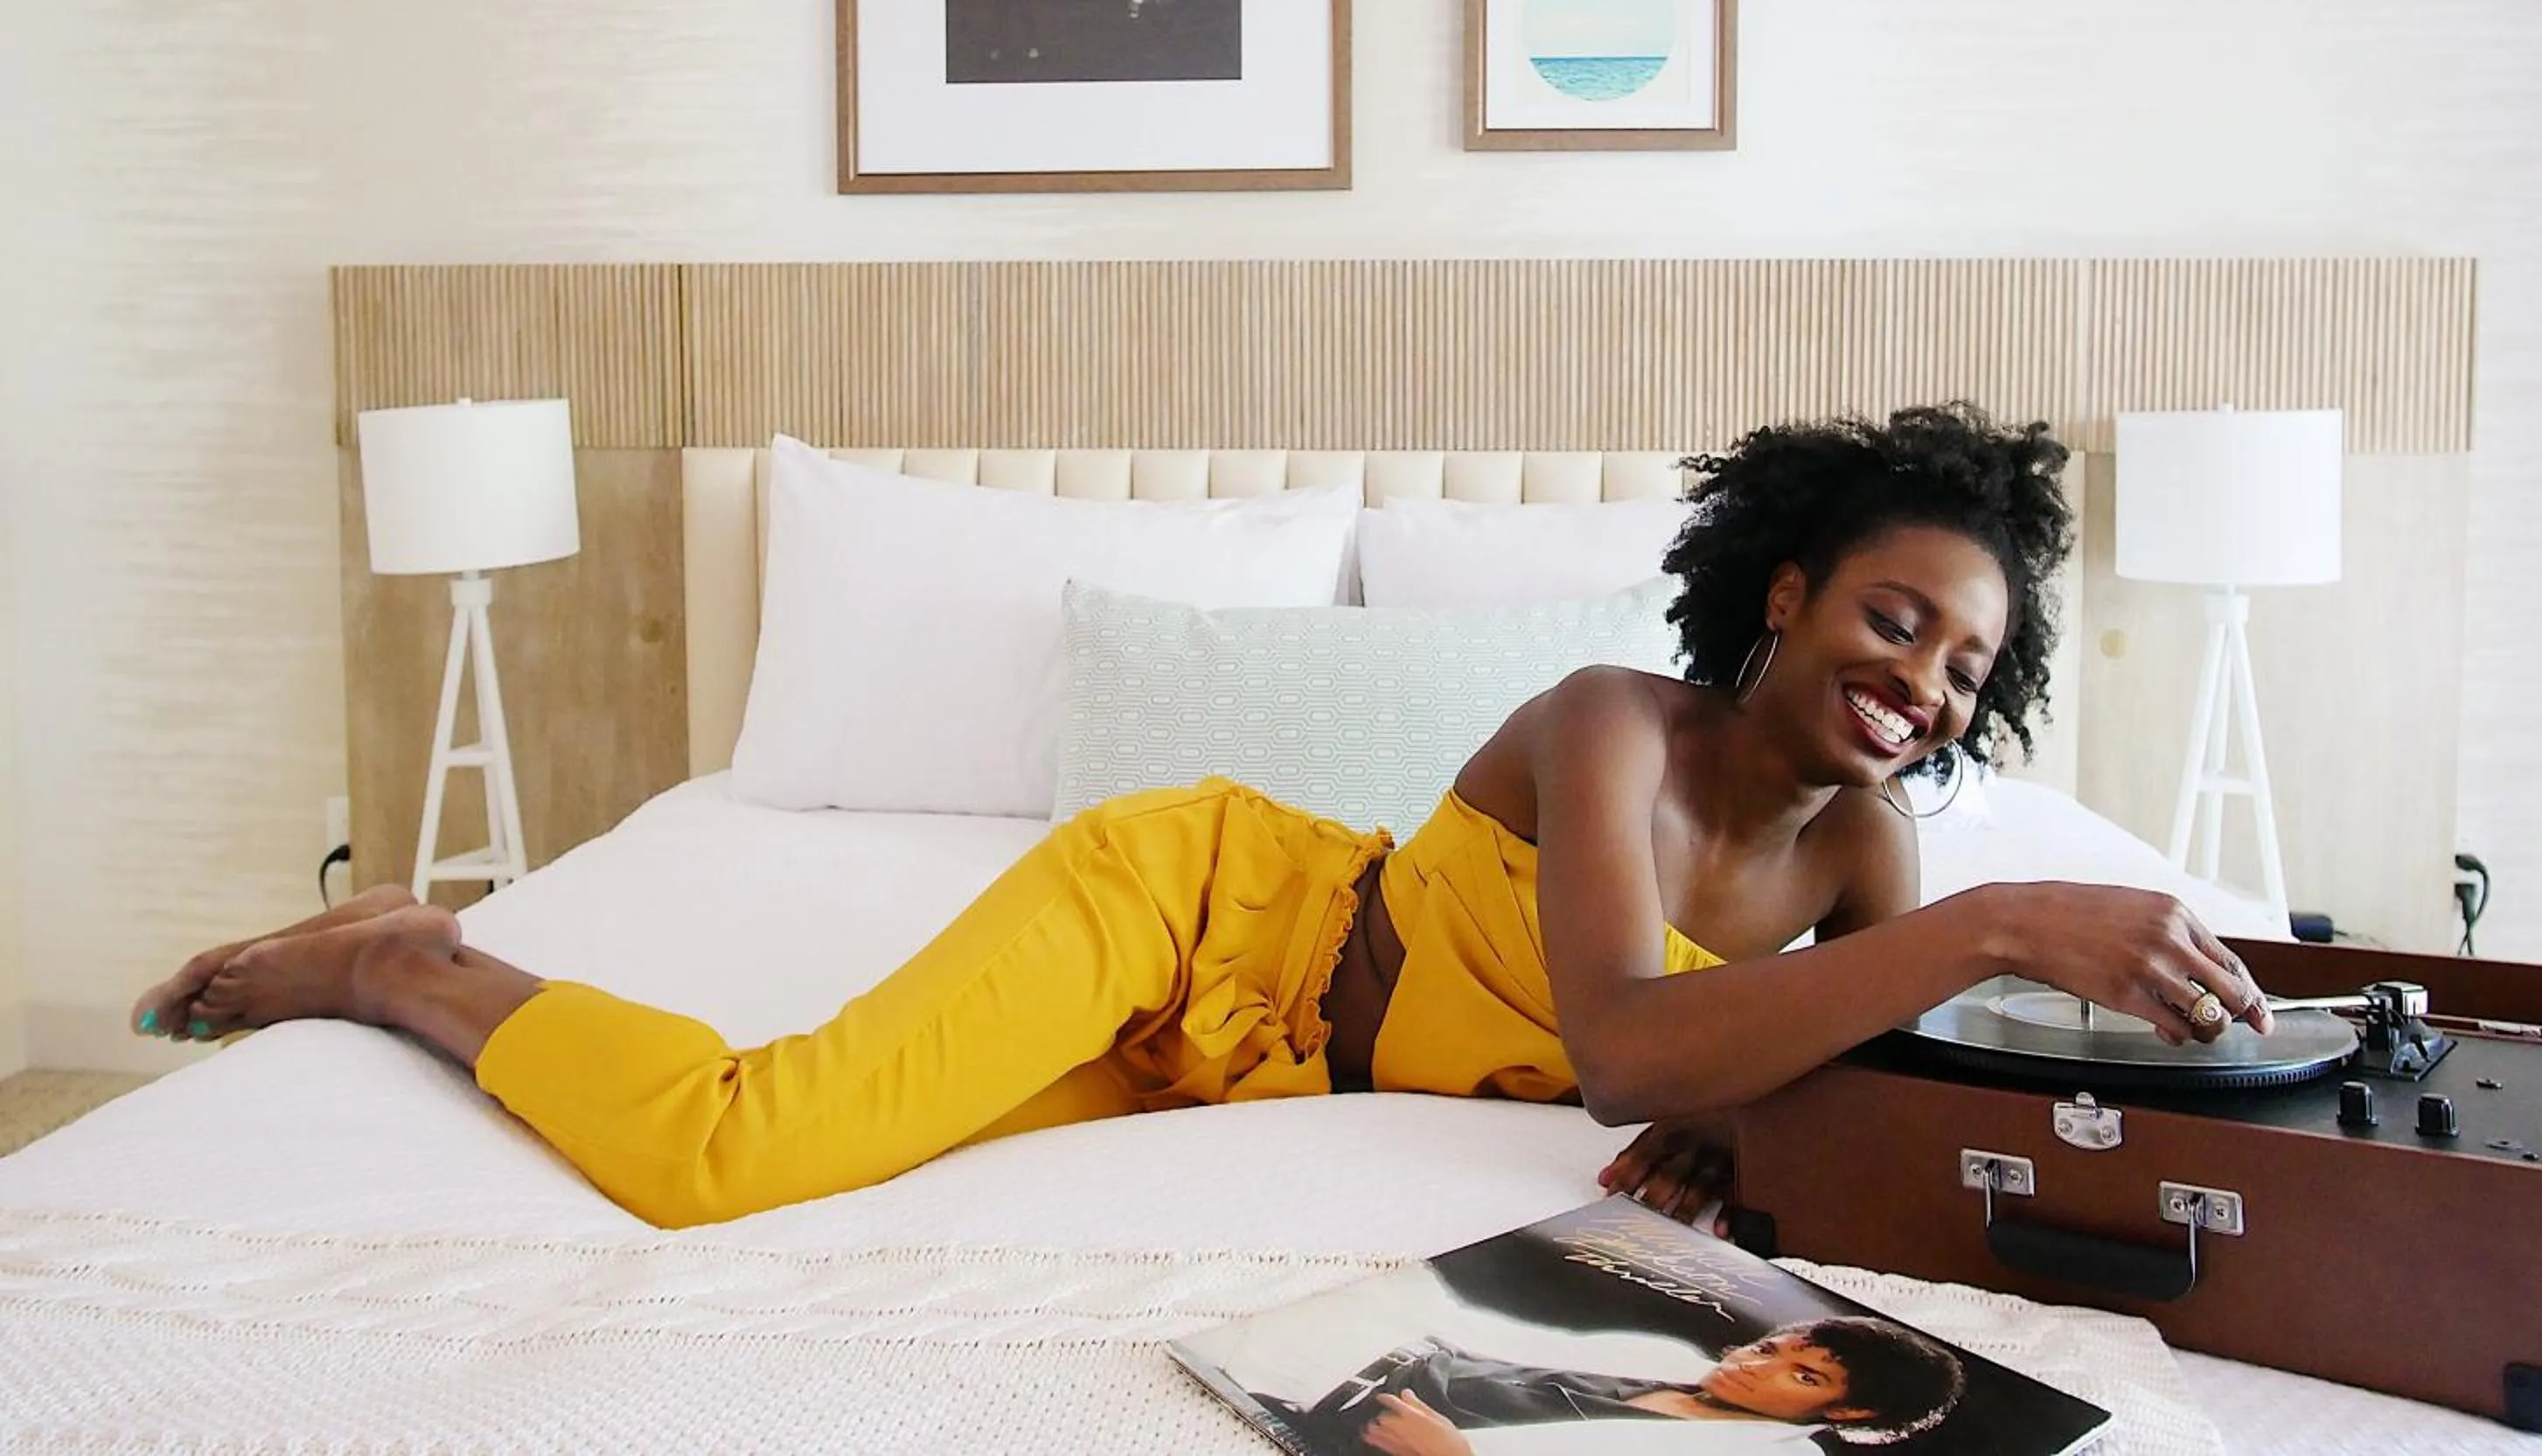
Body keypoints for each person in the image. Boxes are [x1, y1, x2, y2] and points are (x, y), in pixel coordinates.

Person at [130, 404, 2272, 1230]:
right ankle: (407, 954)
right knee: (736, 1153)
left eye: (1964, 665)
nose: (1919, 677)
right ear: (1787, 588)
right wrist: (2004, 927)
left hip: (1247, 1078)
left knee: (790, 1136)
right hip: (1195, 918)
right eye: (1894, 616)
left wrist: (1755, 1113)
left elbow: (1777, 1081)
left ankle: (421, 959)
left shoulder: (1861, 864)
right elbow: (1625, 1031)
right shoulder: (1615, 719)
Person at [1281, 1316, 1963, 1453]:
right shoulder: (1671, 1363)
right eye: (1767, 1347)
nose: (1755, 1365)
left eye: (1802, 1373)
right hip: (1322, 1381)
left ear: (1850, 1408)